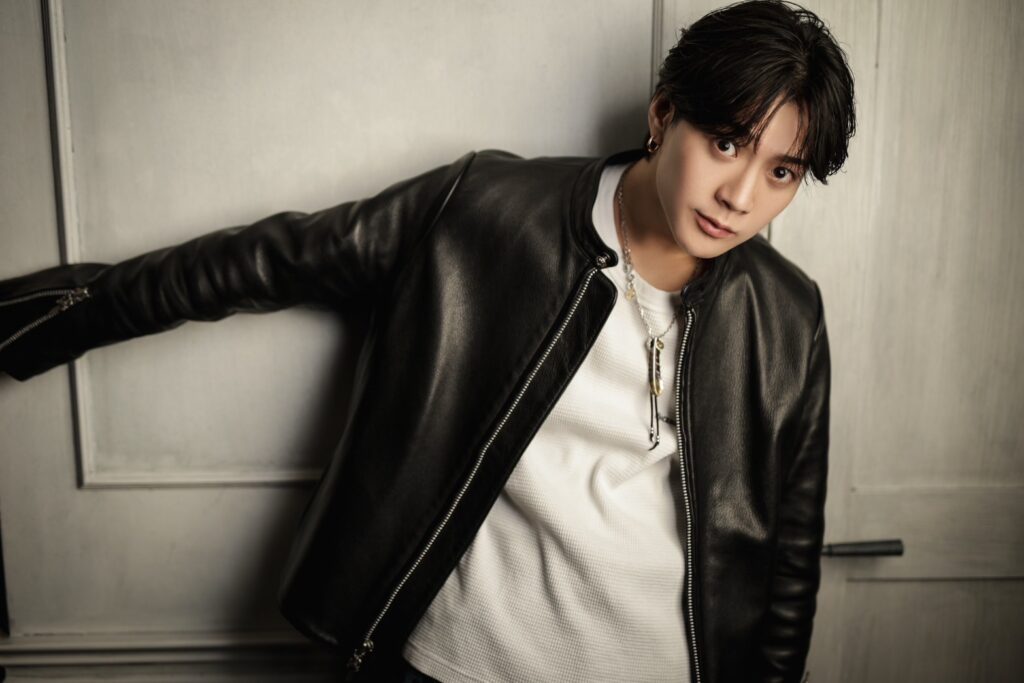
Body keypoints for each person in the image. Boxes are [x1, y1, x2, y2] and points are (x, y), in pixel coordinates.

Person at [0, 1, 855, 681]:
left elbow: (787, 559)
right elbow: (269, 260)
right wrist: (50, 317)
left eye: (781, 171)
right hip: (453, 661)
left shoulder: (788, 317)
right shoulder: (485, 210)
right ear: (665, 113)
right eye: (727, 142)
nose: (741, 195)